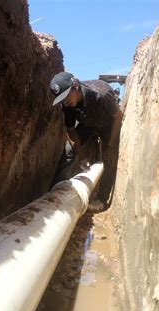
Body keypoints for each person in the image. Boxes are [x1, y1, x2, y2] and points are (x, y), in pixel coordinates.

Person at [50, 71, 123, 209]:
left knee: (110, 159)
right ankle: (53, 195)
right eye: (61, 99)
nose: (65, 102)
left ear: (75, 85)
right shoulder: (68, 105)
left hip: (107, 124)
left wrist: (111, 145)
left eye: (66, 96)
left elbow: (118, 116)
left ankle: (101, 199)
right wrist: (81, 154)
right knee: (68, 151)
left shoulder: (101, 94)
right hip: (88, 123)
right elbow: (71, 130)